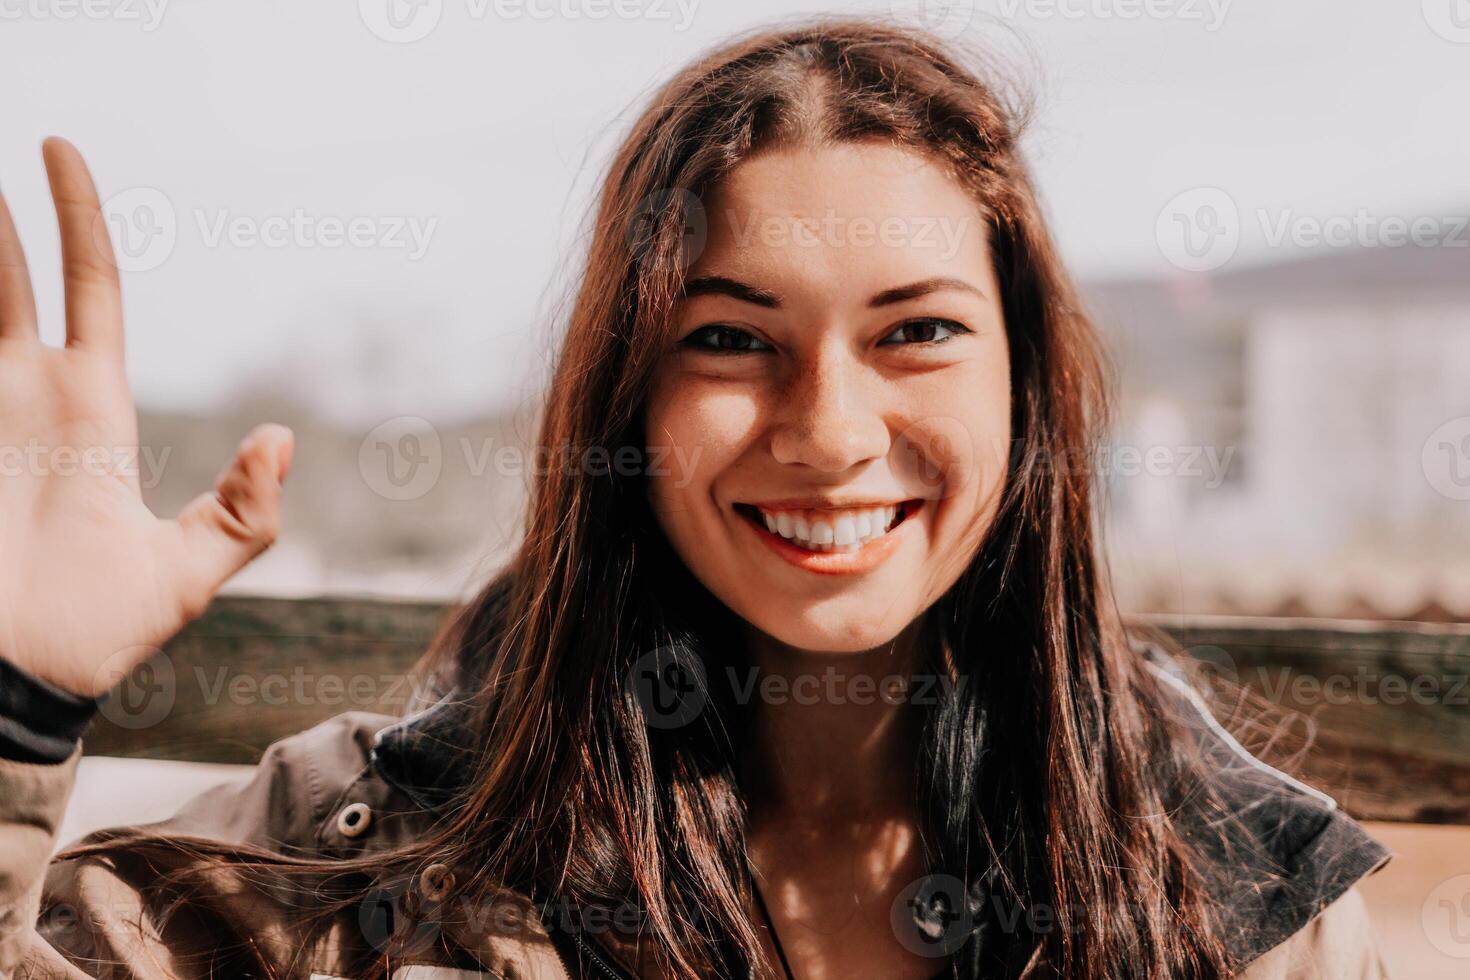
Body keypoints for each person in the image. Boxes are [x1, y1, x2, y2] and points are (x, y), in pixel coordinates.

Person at [0, 16, 1392, 980]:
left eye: (915, 332)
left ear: (1029, 387)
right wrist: (18, 691)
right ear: (626, 398)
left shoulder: (1233, 888)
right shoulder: (363, 864)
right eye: (728, 337)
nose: (830, 432)